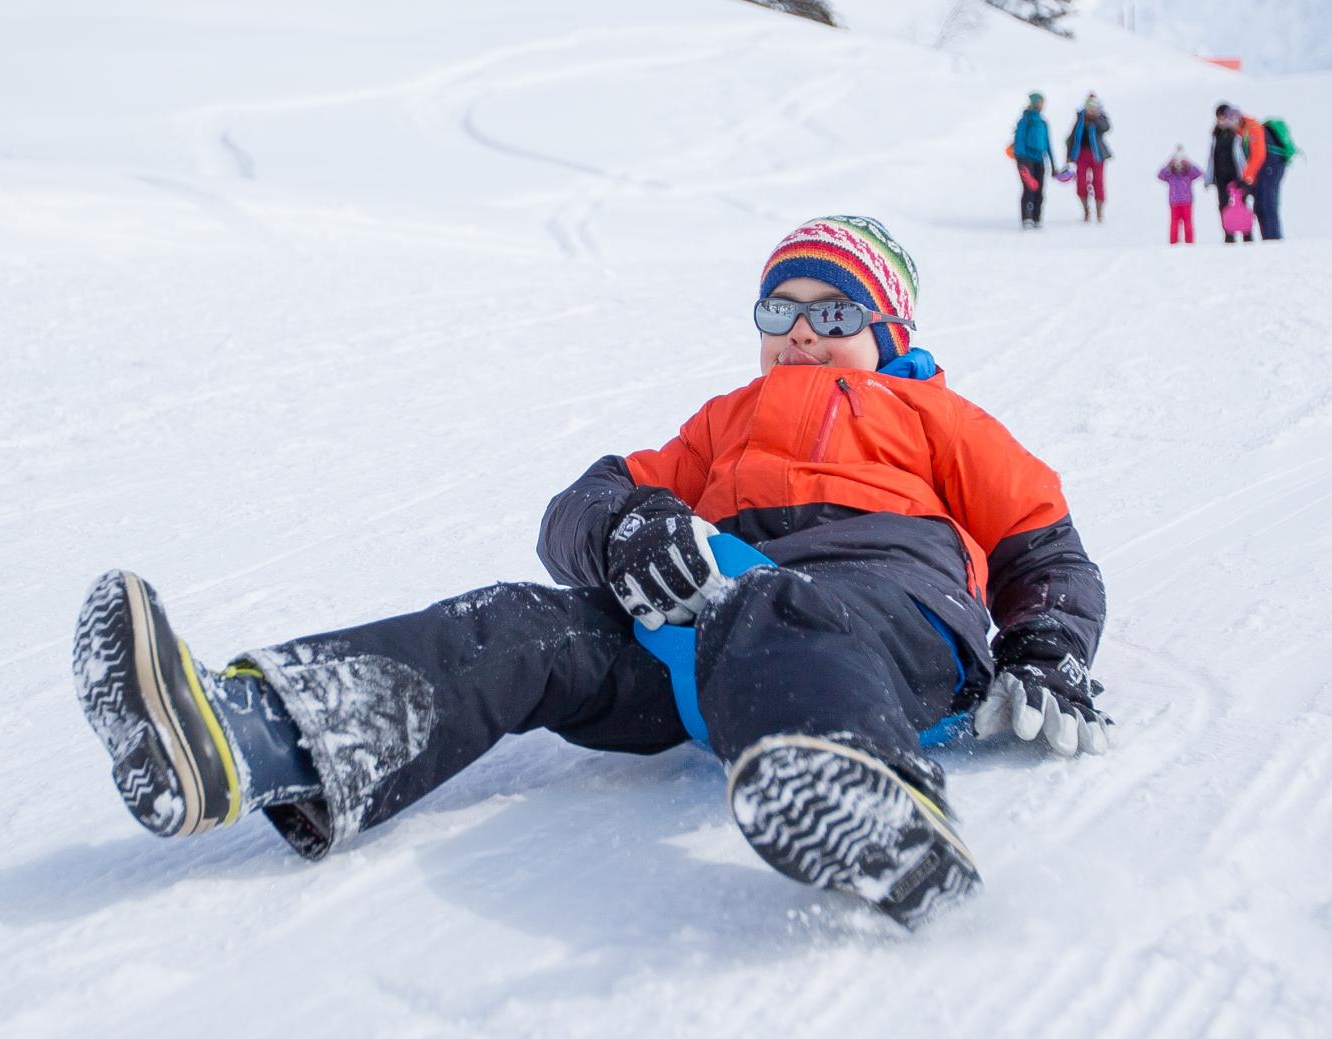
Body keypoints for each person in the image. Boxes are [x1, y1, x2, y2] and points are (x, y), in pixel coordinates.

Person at [70, 216, 1110, 929]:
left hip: (885, 624)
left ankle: (867, 799)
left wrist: (1047, 651)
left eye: (833, 315)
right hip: (709, 635)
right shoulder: (721, 422)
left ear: (887, 333)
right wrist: (626, 531)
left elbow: (1043, 549)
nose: (800, 332)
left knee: (785, 606)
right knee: (522, 626)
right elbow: (583, 500)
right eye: (777, 310)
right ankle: (249, 737)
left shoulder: (932, 415)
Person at [1011, 92, 1055, 228]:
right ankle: (1027, 217)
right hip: (1026, 159)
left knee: (1040, 189)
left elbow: (1048, 144)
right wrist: (1022, 160)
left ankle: (1037, 217)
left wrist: (1053, 164)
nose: (1041, 105)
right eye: (1040, 102)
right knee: (1030, 187)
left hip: (1039, 159)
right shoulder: (1025, 120)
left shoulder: (1043, 123)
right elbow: (1019, 141)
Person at [1209, 104, 1251, 244]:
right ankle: (1229, 235)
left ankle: (1247, 234)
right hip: (1221, 178)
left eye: (1224, 117)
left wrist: (1244, 176)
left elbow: (1240, 157)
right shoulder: (1215, 135)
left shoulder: (1236, 134)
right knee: (1223, 206)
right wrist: (1210, 177)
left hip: (1236, 177)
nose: (1222, 120)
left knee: (1241, 204)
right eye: (1219, 118)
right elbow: (1211, 158)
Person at [1066, 94, 1112, 223]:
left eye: (1093, 107)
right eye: (1088, 107)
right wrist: (1069, 155)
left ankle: (1099, 211)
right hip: (1081, 155)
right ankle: (1085, 209)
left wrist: (1096, 118)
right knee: (1081, 182)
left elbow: (1106, 127)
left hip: (1097, 155)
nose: (1090, 110)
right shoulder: (1080, 119)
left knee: (1098, 182)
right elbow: (1072, 138)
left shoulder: (1100, 117)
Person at [1250, 116, 1298, 241]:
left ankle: (1272, 239)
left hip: (1269, 168)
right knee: (1266, 204)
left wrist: (1247, 177)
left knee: (1266, 205)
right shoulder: (1253, 129)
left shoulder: (1252, 130)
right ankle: (1271, 238)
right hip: (1271, 168)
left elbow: (1258, 155)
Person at [1157, 145, 1205, 245]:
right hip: (1174, 202)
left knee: (1187, 223)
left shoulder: (1188, 173)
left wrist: (1188, 163)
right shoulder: (1171, 175)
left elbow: (1199, 173)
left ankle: (1189, 242)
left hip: (1186, 202)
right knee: (1174, 224)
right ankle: (1174, 243)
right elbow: (1160, 175)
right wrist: (1170, 164)